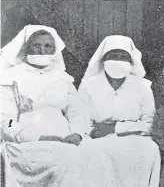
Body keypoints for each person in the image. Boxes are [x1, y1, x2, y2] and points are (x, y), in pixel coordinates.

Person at [0, 25, 116, 187]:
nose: (42, 51)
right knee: (66, 160)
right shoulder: (9, 77)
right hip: (26, 142)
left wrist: (77, 133)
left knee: (99, 157)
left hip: (65, 136)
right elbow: (6, 121)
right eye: (37, 45)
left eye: (48, 46)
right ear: (26, 47)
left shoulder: (62, 77)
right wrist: (38, 137)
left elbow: (77, 111)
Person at [76, 35, 160, 187]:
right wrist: (92, 131)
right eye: (113, 56)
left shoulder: (142, 86)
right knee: (87, 152)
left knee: (150, 149)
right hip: (96, 137)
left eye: (123, 57)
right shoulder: (88, 85)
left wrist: (115, 128)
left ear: (131, 62)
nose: (118, 60)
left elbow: (149, 123)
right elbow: (81, 119)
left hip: (132, 137)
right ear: (103, 59)